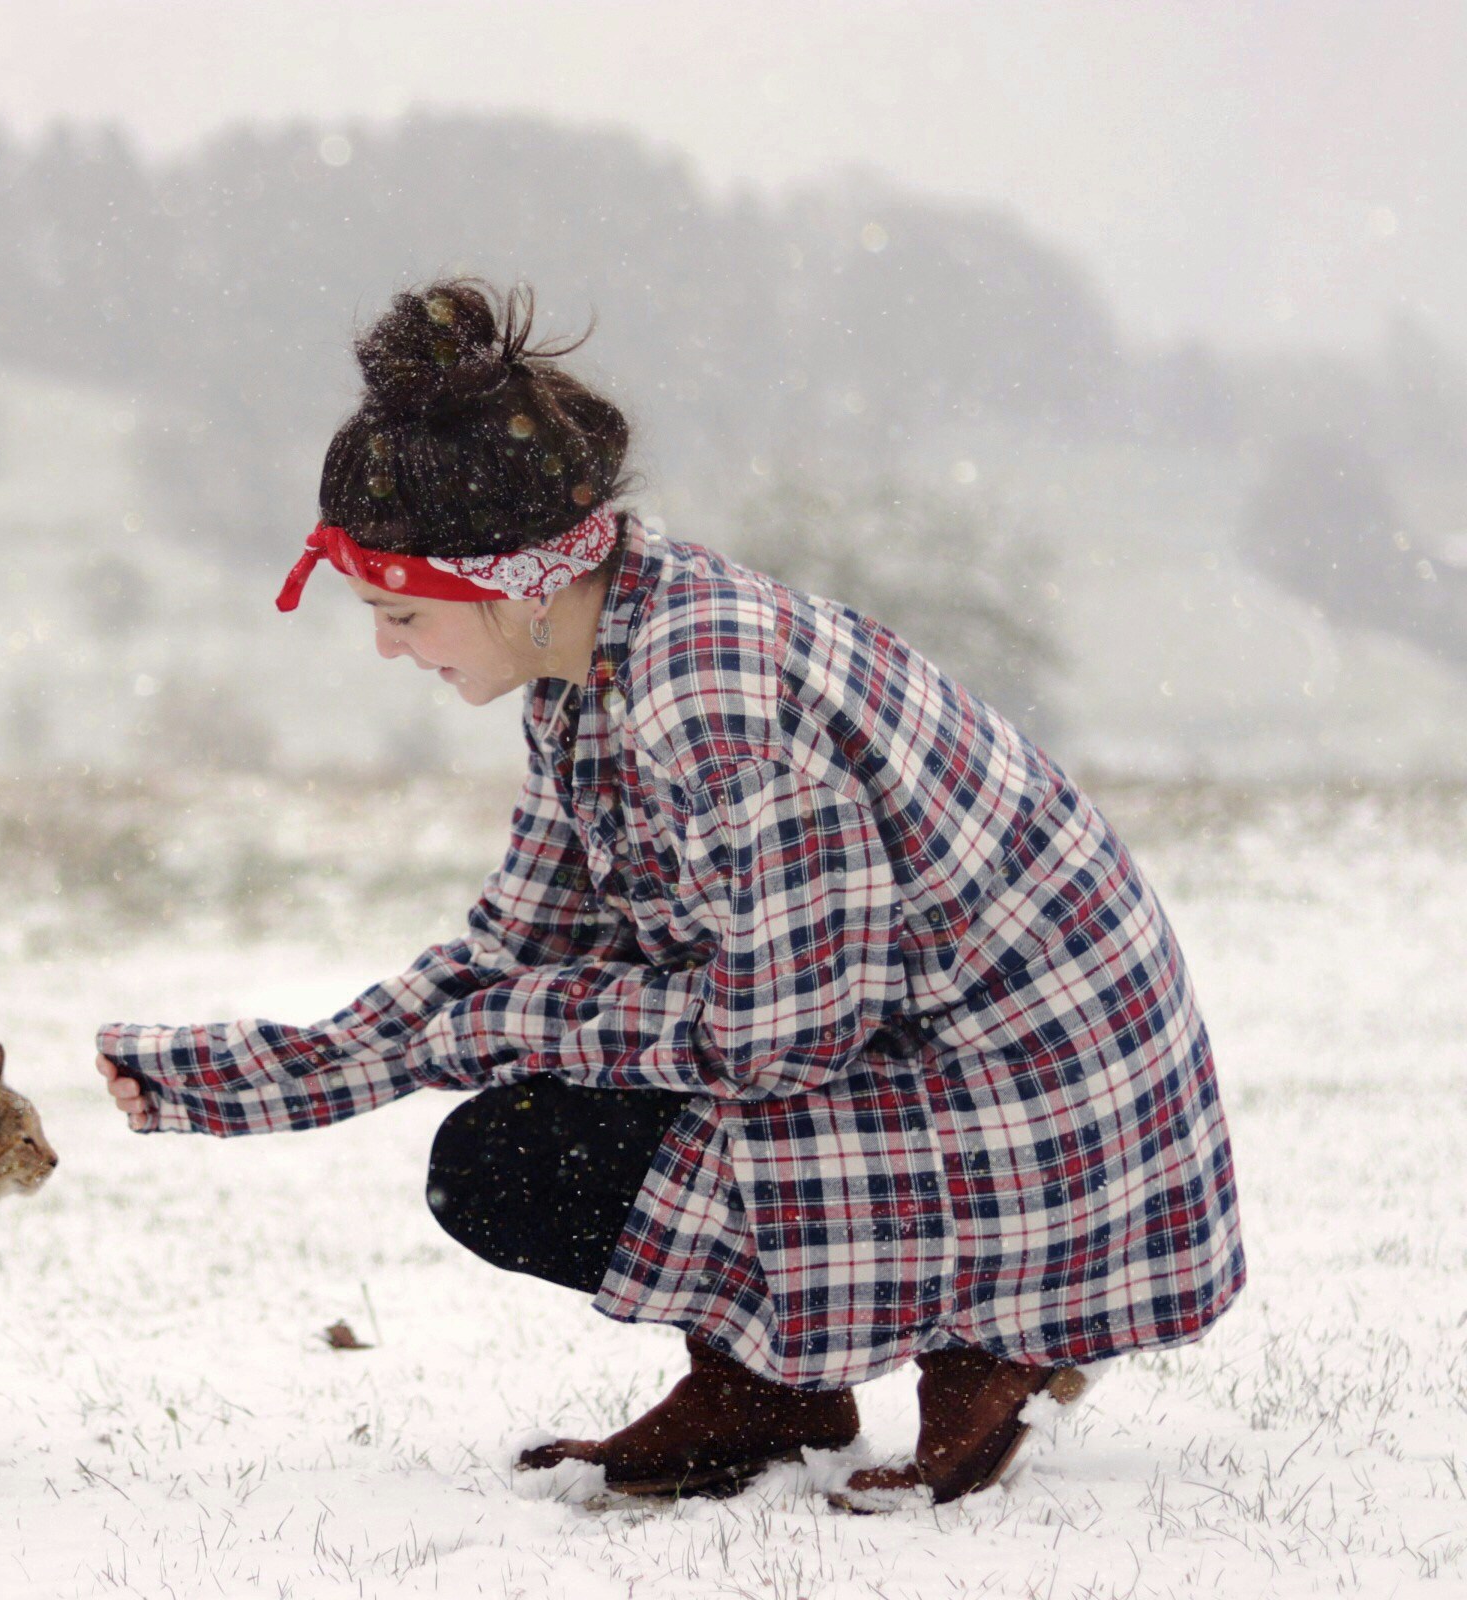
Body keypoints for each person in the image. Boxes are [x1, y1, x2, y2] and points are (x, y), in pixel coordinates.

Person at [92, 280, 1244, 1508]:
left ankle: (999, 1329)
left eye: (399, 611)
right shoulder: (582, 676)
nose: (387, 647)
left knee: (520, 1146)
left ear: (513, 581)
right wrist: (247, 1075)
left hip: (1036, 1097)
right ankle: (772, 1383)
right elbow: (505, 948)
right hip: (889, 1051)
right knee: (501, 1152)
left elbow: (786, 1034)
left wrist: (509, 1025)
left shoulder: (714, 698)